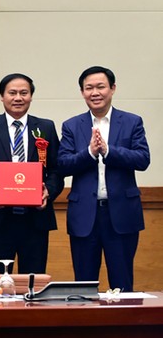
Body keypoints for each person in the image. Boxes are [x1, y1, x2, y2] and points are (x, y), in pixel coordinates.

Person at [58, 66, 149, 292]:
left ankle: (125, 327)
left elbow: (143, 159)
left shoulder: (132, 121)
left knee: (123, 282)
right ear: (82, 92)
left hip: (121, 213)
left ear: (112, 89)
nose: (95, 92)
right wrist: (89, 153)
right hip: (84, 215)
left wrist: (109, 152)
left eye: (100, 87)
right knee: (84, 284)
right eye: (89, 88)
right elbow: (63, 164)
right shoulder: (71, 125)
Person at [0, 73, 63, 274]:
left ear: (31, 96)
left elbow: (57, 169)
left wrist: (49, 191)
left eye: (24, 93)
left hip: (35, 219)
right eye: (12, 93)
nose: (18, 98)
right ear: (2, 96)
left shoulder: (46, 127)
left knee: (33, 281)